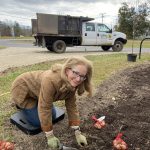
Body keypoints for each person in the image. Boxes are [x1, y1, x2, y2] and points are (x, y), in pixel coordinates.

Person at [11, 56, 93, 149]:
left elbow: (72, 106)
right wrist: (50, 135)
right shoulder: (50, 80)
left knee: (53, 116)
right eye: (75, 73)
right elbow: (45, 107)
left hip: (38, 93)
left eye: (82, 76)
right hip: (23, 90)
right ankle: (21, 105)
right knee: (38, 122)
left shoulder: (73, 83)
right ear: (67, 70)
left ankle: (38, 101)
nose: (78, 79)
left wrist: (77, 132)